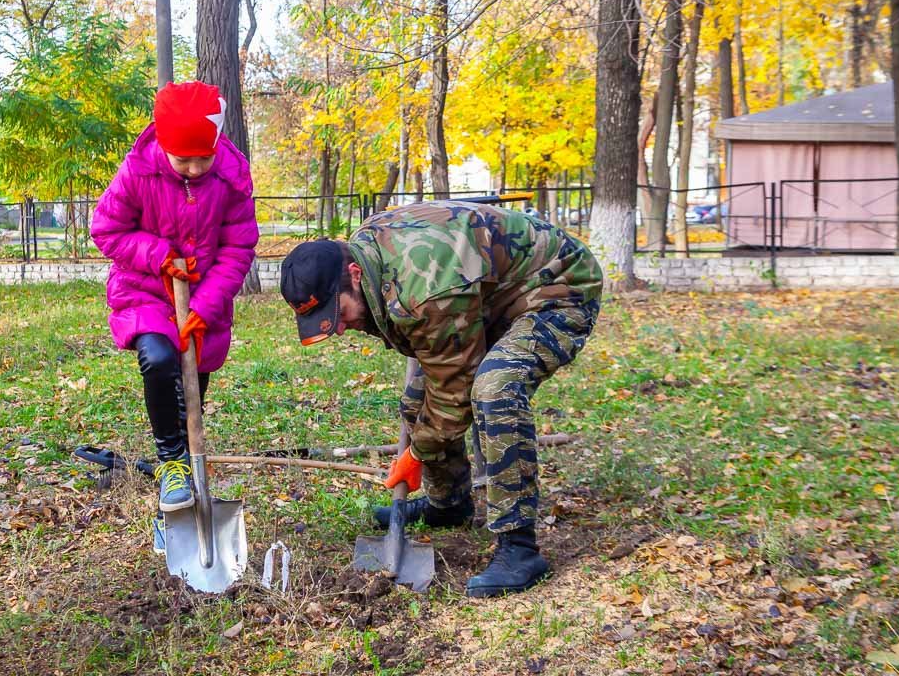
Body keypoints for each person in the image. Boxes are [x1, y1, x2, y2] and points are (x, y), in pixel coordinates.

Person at [280, 201, 602, 597]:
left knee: (494, 388)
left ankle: (519, 547)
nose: (342, 329)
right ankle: (449, 503)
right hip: (489, 296)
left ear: (354, 274)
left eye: (339, 313)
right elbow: (436, 367)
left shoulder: (426, 292)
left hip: (556, 286)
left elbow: (454, 393)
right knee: (417, 402)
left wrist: (416, 454)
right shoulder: (367, 252)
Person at [90, 81, 258, 553]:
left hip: (204, 297)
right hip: (145, 290)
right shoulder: (138, 171)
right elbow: (106, 229)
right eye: (182, 159)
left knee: (192, 389)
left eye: (201, 158)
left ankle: (188, 471)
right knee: (160, 358)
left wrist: (205, 307)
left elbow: (239, 245)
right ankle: (171, 465)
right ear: (162, 145)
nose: (193, 167)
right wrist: (158, 254)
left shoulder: (231, 176)